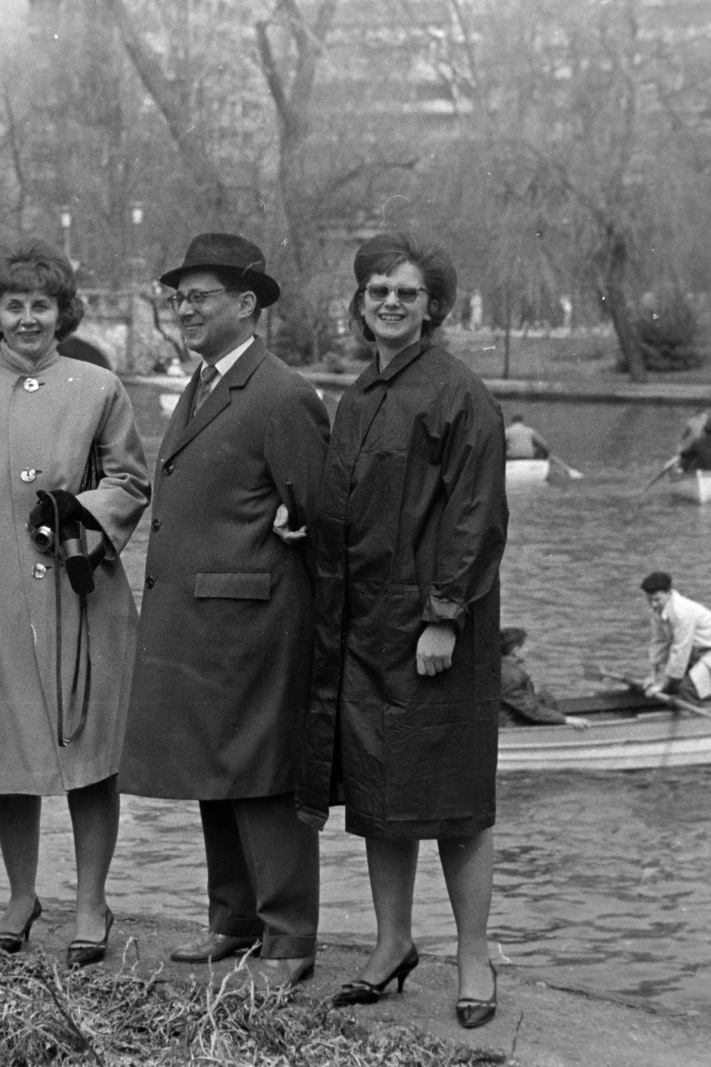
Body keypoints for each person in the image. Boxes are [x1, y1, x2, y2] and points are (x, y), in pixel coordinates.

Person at [296, 232, 508, 1029]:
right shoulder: (358, 395)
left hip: (432, 634)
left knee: (454, 800)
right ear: (360, 301)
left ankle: (475, 955)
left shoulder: (459, 394)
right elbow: (353, 507)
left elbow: (476, 517)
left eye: (407, 293)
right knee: (382, 795)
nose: (389, 302)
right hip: (365, 630)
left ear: (434, 308)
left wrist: (444, 617)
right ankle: (391, 946)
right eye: (377, 289)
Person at [0, 241, 149, 968]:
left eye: (40, 305)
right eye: (13, 305)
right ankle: (21, 895)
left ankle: (91, 899)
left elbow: (131, 479)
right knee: (6, 754)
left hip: (83, 600)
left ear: (62, 313)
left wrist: (79, 510)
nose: (27, 318)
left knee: (89, 754)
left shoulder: (98, 385)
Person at [120, 233, 330, 989]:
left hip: (257, 625)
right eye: (179, 298)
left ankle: (289, 940)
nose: (185, 309)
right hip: (206, 626)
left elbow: (316, 519)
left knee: (265, 778)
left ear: (247, 305)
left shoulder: (282, 394)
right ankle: (234, 921)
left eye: (200, 296)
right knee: (218, 772)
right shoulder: (207, 383)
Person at [639, 572, 711, 700]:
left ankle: (693, 717)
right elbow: (659, 643)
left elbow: (680, 649)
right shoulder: (657, 612)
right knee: (670, 683)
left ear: (669, 594)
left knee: (685, 687)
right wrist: (655, 675)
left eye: (657, 599)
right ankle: (678, 710)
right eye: (649, 600)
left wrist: (663, 683)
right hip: (697, 653)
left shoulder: (682, 611)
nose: (653, 604)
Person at [499, 628, 588, 730]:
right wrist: (567, 720)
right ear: (515, 650)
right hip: (511, 725)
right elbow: (531, 710)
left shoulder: (504, 667)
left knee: (545, 698)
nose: (530, 649)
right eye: (526, 646)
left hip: (511, 719)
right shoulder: (511, 675)